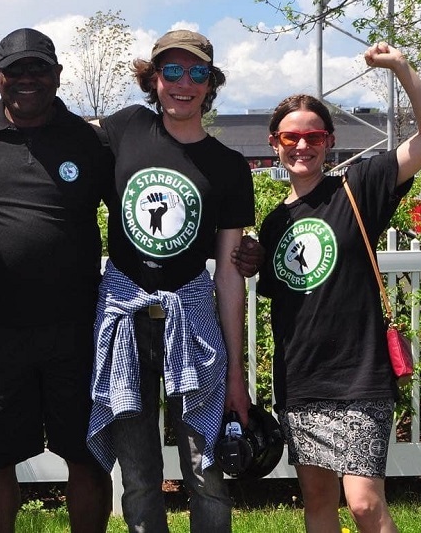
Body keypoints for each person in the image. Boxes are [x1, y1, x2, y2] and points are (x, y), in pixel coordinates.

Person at [256, 43, 421, 533]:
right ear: (275, 142)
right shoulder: (274, 223)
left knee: (364, 504)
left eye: (314, 136)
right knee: (318, 502)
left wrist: (401, 68)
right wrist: (251, 258)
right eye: (291, 137)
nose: (303, 146)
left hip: (359, 376)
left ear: (330, 141)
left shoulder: (358, 186)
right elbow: (287, 298)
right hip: (301, 380)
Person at [0, 27, 115, 532]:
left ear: (57, 74)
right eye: (14, 70)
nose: (27, 78)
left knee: (87, 456)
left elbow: (129, 212)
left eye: (38, 68)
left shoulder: (90, 140)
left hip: (77, 330)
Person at [87, 30, 255, 532]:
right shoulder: (125, 128)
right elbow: (56, 133)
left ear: (210, 83)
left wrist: (235, 373)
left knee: (206, 470)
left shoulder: (229, 167)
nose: (184, 83)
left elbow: (229, 273)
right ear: (154, 79)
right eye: (173, 71)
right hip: (125, 321)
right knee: (138, 475)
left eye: (197, 72)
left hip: (193, 320)